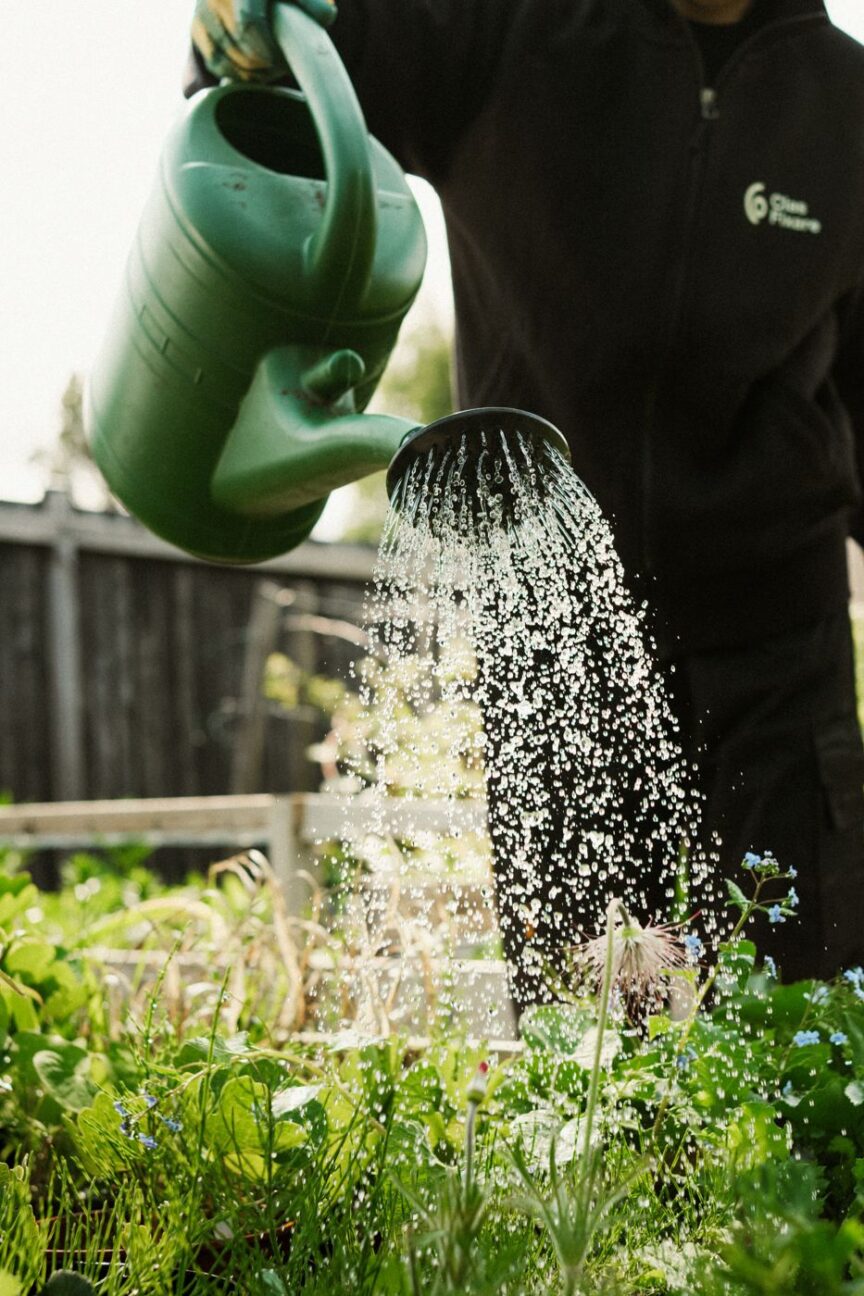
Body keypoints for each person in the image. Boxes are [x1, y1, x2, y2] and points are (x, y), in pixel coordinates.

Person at [186, 0, 864, 1002]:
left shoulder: (846, 108)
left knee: (804, 1037)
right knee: (585, 1039)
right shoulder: (505, 28)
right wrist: (231, 32)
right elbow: (286, 62)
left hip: (775, 650)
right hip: (550, 644)